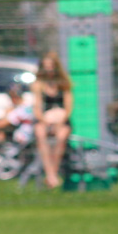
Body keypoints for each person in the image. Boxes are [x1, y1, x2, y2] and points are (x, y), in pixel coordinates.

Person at [33, 51, 73, 188]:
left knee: (61, 137)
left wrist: (59, 122)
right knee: (40, 133)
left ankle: (52, 174)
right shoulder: (38, 85)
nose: (49, 69)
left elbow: (68, 107)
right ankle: (50, 175)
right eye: (46, 66)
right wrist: (45, 122)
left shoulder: (64, 84)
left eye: (51, 66)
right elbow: (37, 108)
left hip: (61, 120)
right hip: (46, 120)